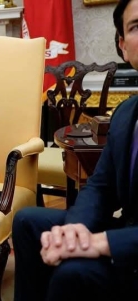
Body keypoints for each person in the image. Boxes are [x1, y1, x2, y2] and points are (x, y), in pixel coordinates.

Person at [12, 1, 138, 300]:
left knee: (72, 273)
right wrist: (76, 229)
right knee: (29, 222)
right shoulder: (126, 113)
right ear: (123, 46)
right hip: (128, 229)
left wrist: (102, 242)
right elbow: (100, 186)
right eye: (137, 27)